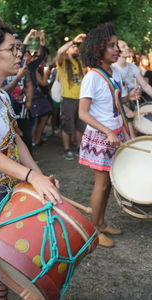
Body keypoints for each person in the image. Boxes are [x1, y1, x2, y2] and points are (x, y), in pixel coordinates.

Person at [0, 16, 61, 300]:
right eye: (13, 49)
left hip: (7, 188)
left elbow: (17, 140)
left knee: (2, 265)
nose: (20, 54)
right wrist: (31, 177)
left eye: (19, 48)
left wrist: (39, 177)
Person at [78, 23, 140, 248]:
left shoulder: (111, 73)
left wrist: (128, 97)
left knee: (110, 184)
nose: (117, 50)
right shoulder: (92, 77)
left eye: (117, 45)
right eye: (111, 46)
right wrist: (106, 131)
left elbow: (111, 104)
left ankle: (101, 223)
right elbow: (83, 113)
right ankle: (93, 230)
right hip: (100, 138)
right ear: (98, 48)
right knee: (102, 185)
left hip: (114, 134)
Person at [56, 33, 86, 160]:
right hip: (68, 98)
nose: (76, 48)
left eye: (76, 47)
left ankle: (79, 147)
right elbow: (59, 51)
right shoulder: (62, 62)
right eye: (73, 47)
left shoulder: (80, 62)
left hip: (81, 98)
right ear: (68, 49)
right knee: (67, 125)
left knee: (80, 126)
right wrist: (73, 41)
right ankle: (67, 149)